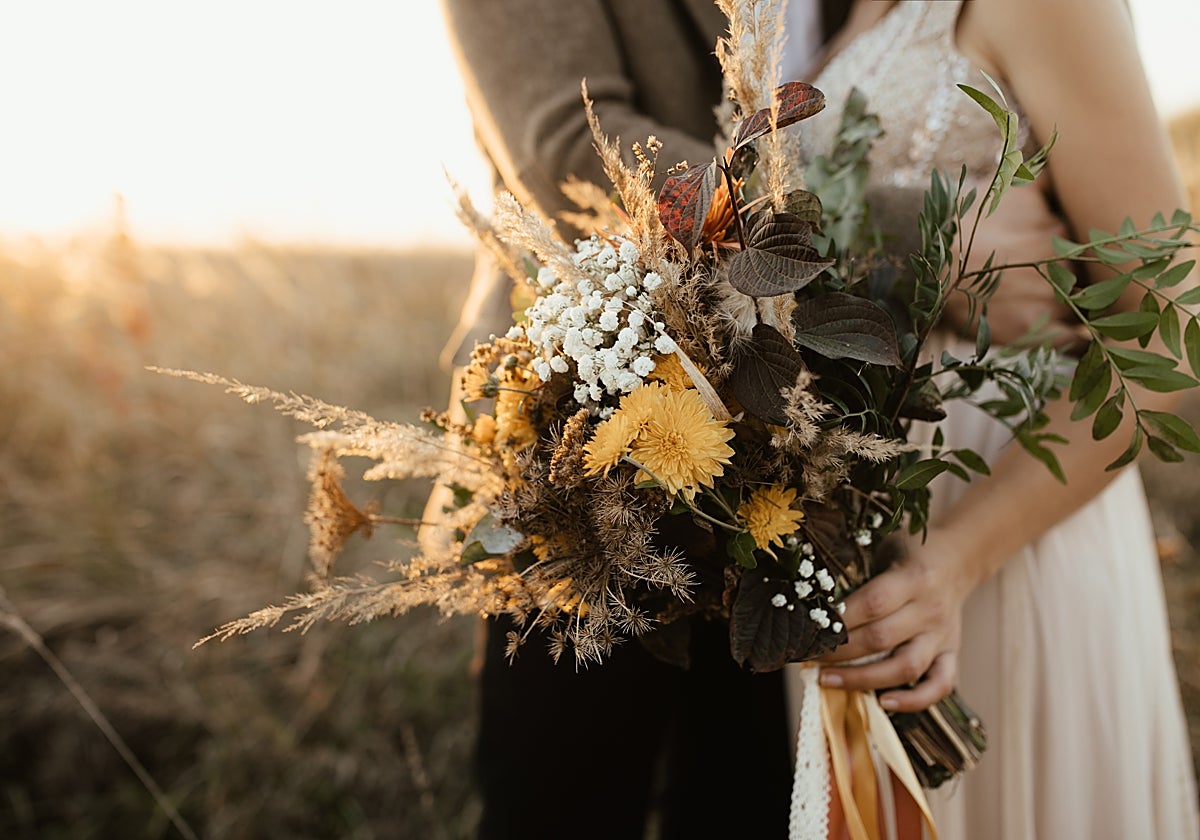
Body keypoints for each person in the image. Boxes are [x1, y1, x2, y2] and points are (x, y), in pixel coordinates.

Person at [779, 1, 1200, 838]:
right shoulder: (833, 17)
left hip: (1008, 530)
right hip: (864, 557)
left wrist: (956, 562)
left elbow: (1168, 329)